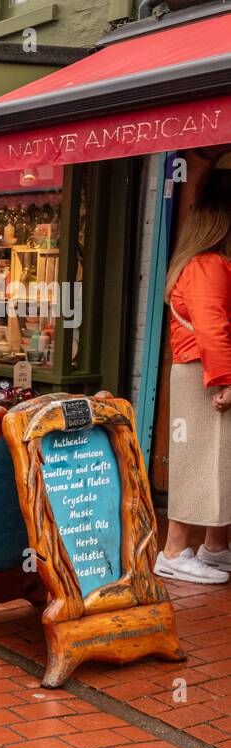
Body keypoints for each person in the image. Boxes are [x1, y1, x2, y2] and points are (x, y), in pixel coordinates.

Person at [156, 169, 231, 584]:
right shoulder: (210, 265)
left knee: (216, 458)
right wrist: (225, 379)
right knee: (199, 460)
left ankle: (215, 547)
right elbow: (213, 327)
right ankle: (172, 552)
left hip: (201, 370)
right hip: (206, 372)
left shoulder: (198, 261)